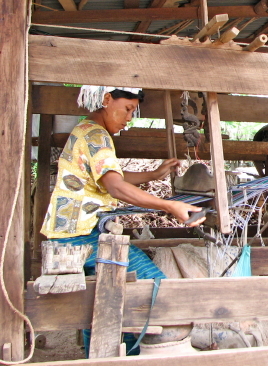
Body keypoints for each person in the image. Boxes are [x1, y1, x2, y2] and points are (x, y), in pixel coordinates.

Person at [40, 85, 205, 356]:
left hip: (72, 232)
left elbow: (110, 175)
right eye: (127, 109)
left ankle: (101, 358)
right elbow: (115, 187)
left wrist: (153, 175)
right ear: (107, 99)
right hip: (81, 236)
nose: (129, 118)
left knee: (101, 303)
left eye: (133, 112)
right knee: (154, 287)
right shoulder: (96, 134)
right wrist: (169, 205)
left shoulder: (85, 129)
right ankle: (130, 356)